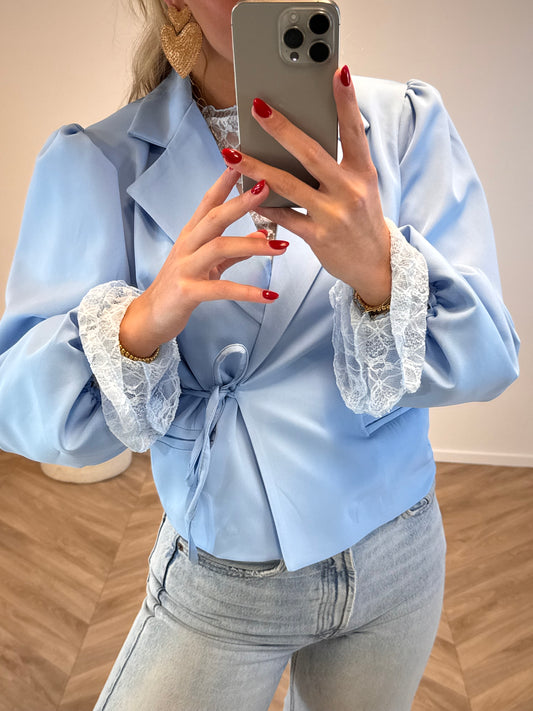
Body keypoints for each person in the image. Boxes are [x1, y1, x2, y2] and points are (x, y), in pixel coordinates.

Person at [0, 0, 520, 709]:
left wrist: (379, 271)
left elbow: (489, 352)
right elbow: (21, 405)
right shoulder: (98, 164)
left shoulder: (403, 123)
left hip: (398, 553)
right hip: (226, 579)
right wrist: (140, 323)